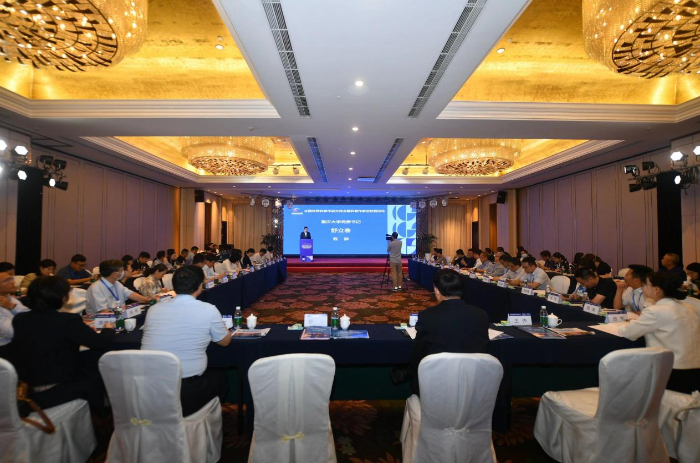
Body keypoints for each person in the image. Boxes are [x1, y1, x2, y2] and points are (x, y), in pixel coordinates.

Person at [11, 276, 115, 412]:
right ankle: (100, 415)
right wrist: (108, 329)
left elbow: (46, 336)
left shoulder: (19, 319)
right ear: (62, 297)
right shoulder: (67, 320)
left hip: (27, 386)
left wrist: (81, 331)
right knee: (94, 368)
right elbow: (99, 342)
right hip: (58, 387)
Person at [141, 266, 231, 416]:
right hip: (187, 388)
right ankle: (199, 420)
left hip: (150, 386)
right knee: (221, 378)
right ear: (200, 286)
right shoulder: (208, 310)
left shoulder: (154, 309)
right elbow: (224, 341)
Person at [403, 269, 489, 395]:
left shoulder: (427, 316)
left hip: (435, 385)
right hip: (472, 384)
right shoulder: (481, 315)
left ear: (437, 290)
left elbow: (418, 354)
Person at [619, 272, 700, 394]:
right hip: (694, 367)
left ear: (656, 289)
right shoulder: (689, 307)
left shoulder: (655, 311)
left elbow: (629, 333)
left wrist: (625, 325)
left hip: (672, 370)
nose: (643, 287)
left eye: (646, 284)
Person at [85, 260, 153, 315]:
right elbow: (104, 312)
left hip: (119, 314)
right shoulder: (96, 288)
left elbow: (130, 294)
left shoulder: (116, 283)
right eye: (122, 271)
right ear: (114, 274)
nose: (123, 273)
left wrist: (148, 299)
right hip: (101, 320)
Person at [0, 263, 29, 357]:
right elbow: (12, 332)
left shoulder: (10, 300)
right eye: (7, 280)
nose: (13, 282)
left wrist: (12, 307)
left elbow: (30, 315)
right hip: (4, 348)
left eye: (12, 278)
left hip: (16, 344)